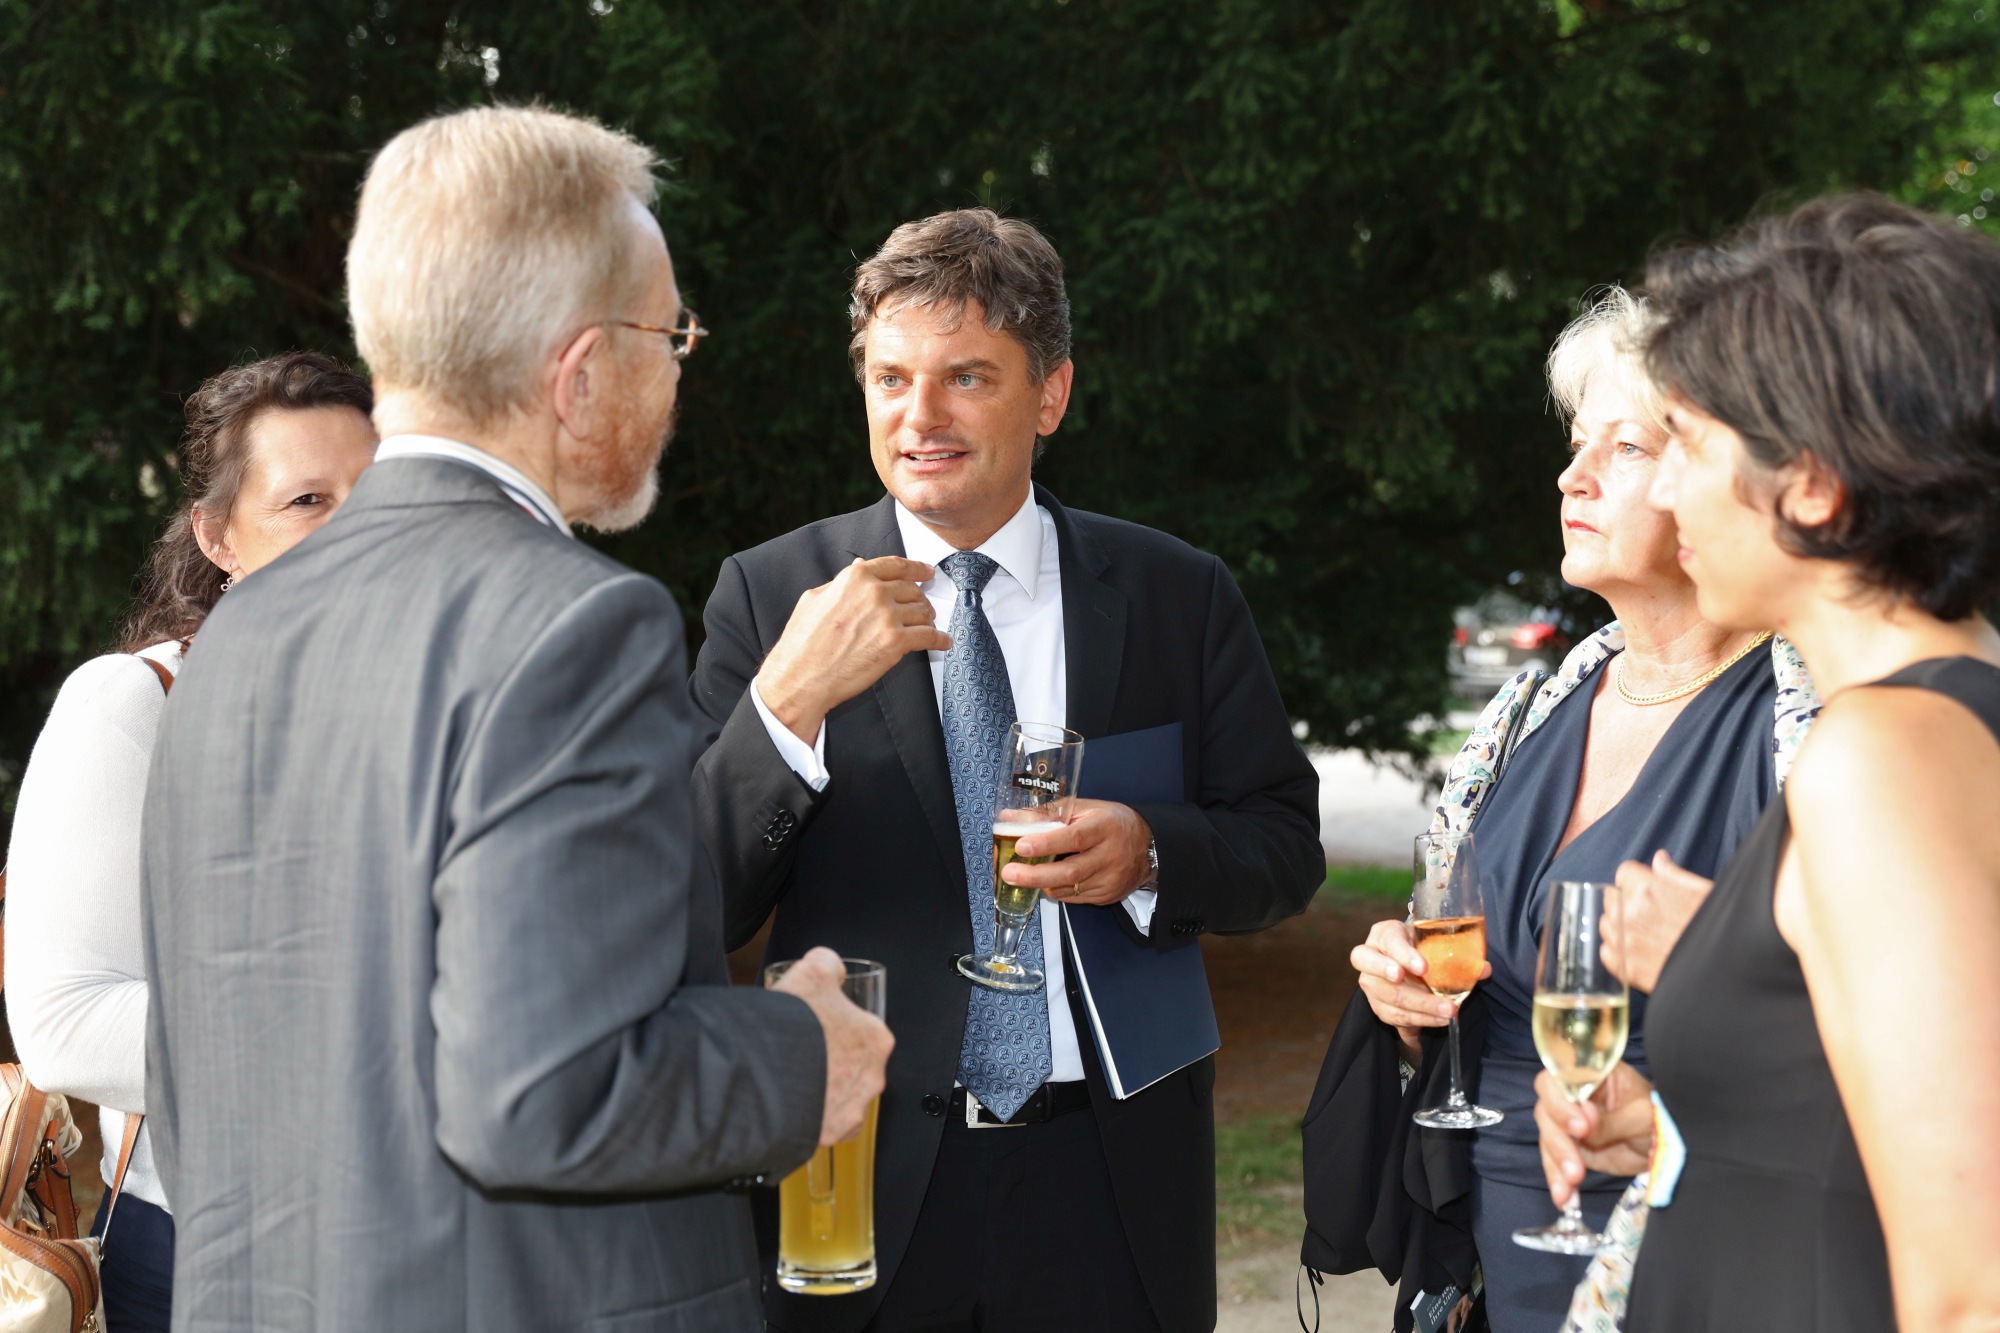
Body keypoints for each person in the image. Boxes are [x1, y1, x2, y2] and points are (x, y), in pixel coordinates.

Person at [139, 105, 892, 1332]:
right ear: (581, 370)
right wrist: (802, 1056)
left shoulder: (237, 637)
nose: (677, 365)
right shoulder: (573, 629)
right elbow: (540, 1094)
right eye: (669, 333)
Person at [689, 208, 1322, 1333]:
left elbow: (1281, 845)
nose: (916, 416)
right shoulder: (771, 592)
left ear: (1049, 394)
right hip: (860, 1174)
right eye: (889, 379)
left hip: (1111, 1183)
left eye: (964, 377)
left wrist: (1149, 852)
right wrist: (782, 708)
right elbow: (690, 899)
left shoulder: (1175, 594)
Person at [1537, 193, 2000, 1333]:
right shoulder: (1936, 728)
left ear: (1808, 486)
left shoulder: (1879, 756)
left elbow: (1970, 1280)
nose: (1660, 488)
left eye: (1684, 445)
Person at [1345, 288, 1817, 1332]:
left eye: (1625, 444)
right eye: (1572, 442)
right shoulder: (1529, 709)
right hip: (1492, 1241)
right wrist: (1405, 997)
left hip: (1705, 1252)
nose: (1573, 474)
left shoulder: (1813, 727)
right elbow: (1464, 956)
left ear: (1726, 478)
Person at [4, 351, 376, 1333]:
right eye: (306, 499)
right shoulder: (133, 706)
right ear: (219, 535)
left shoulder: (426, 716)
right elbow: (63, 1019)